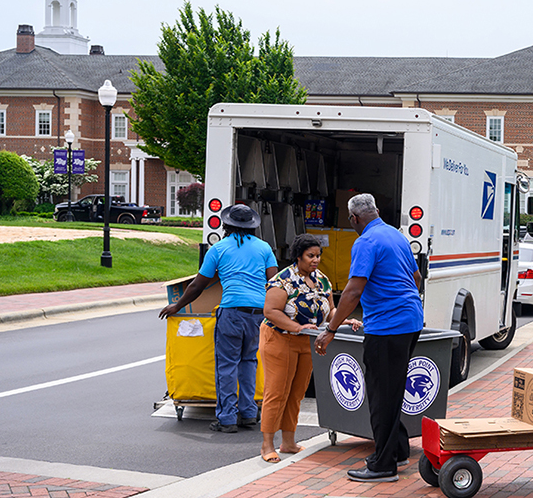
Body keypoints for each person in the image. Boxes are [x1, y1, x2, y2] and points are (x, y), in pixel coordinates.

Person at [316, 193, 423, 483]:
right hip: (410, 321)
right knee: (391, 390)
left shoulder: (365, 242)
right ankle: (398, 450)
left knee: (380, 396)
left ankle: (383, 465)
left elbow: (352, 292)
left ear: (354, 218)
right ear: (376, 211)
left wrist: (331, 329)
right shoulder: (397, 236)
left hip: (387, 327)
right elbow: (416, 278)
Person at [160, 204, 277, 433]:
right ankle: (249, 414)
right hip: (258, 315)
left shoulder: (219, 249)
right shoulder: (264, 248)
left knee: (226, 365)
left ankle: (227, 419)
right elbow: (274, 282)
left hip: (231, 313)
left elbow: (198, 285)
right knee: (249, 362)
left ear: (226, 225)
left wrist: (177, 305)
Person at [258, 233, 361, 462]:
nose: (315, 260)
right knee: (277, 392)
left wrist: (345, 320)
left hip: (307, 339)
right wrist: (295, 327)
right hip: (280, 338)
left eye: (318, 255)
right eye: (310, 256)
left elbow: (330, 310)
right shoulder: (283, 280)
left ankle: (288, 442)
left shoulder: (322, 279)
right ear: (298, 256)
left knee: (297, 392)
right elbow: (271, 311)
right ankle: (267, 446)